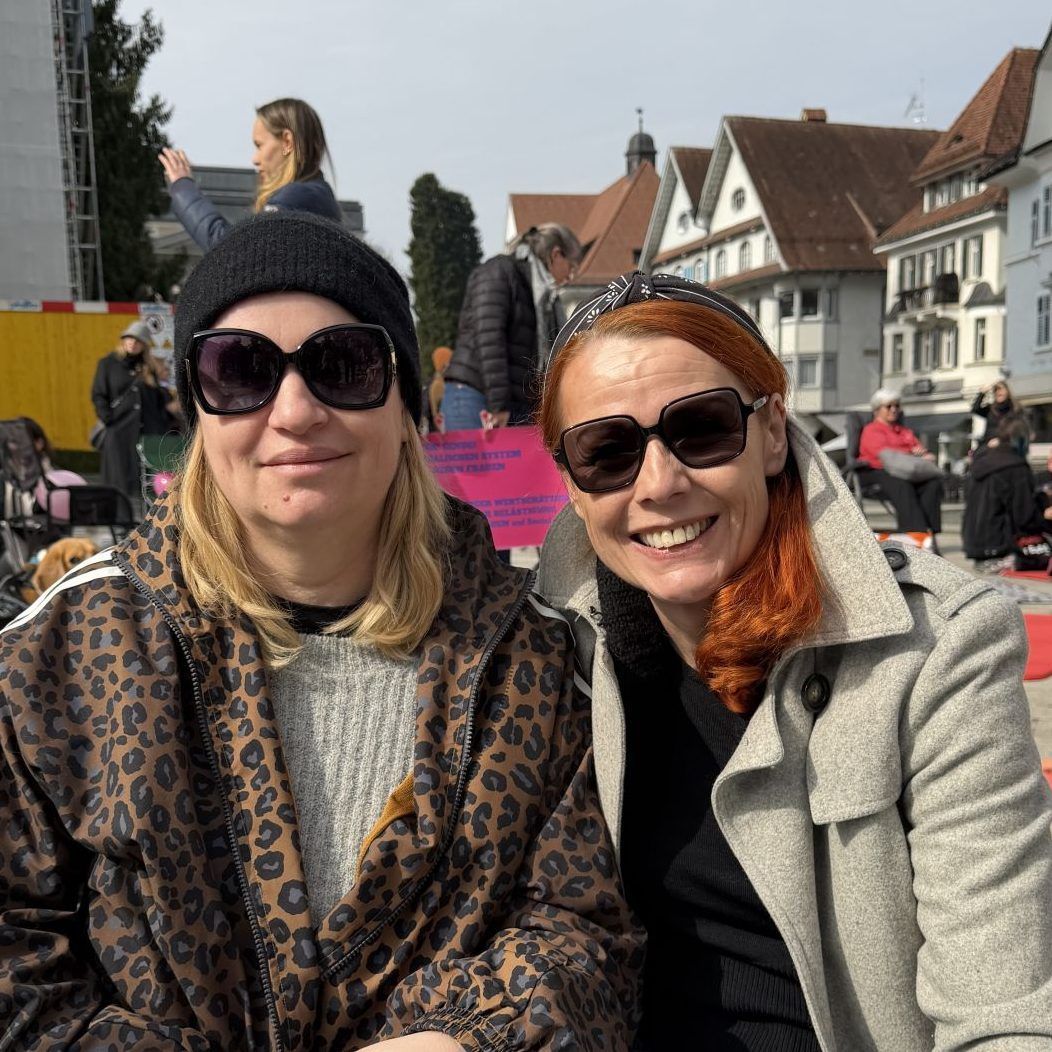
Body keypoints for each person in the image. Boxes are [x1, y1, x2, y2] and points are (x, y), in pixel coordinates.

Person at [0, 213, 641, 1049]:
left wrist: (470, 1037)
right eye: (240, 370)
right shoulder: (66, 653)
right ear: (196, 411)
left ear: (405, 404)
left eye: (342, 365)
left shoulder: (526, 652)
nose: (295, 411)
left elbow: (584, 930)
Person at [535, 271, 1052, 1050]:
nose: (660, 484)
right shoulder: (552, 650)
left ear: (772, 430)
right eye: (607, 450)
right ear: (573, 484)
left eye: (701, 428)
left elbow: (1003, 1010)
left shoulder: (935, 650)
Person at [442, 223, 582, 431]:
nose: (570, 278)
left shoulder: (540, 295)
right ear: (556, 255)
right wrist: (498, 404)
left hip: (512, 404)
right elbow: (489, 338)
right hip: (477, 397)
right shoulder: (499, 272)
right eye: (571, 268)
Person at [159, 97, 342, 251]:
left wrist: (183, 188)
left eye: (259, 145)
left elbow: (232, 251)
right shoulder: (316, 196)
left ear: (287, 142)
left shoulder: (295, 199)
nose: (255, 159)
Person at [962, 414, 1052, 568]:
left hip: (975, 545)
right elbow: (1024, 517)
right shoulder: (1016, 467)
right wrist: (1044, 508)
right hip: (1001, 546)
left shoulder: (982, 460)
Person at [857, 387, 943, 538]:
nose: (894, 409)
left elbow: (919, 449)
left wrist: (924, 455)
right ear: (877, 410)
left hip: (903, 470)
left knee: (932, 483)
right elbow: (882, 454)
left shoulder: (904, 431)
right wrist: (910, 453)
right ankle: (915, 531)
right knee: (901, 483)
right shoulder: (872, 430)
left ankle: (929, 532)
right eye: (889, 406)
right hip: (876, 470)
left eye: (897, 405)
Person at [90, 318, 150, 503]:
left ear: (144, 345)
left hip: (140, 430)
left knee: (140, 480)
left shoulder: (147, 367)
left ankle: (141, 522)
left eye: (138, 340)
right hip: (116, 428)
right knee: (116, 480)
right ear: (123, 340)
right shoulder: (108, 363)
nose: (133, 343)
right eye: (129, 338)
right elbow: (98, 393)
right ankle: (117, 520)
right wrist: (107, 418)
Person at [971, 378, 1017, 446]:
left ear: (1007, 391)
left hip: (1006, 447)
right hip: (989, 446)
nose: (998, 392)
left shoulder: (1014, 408)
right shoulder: (991, 409)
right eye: (995, 390)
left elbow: (1017, 431)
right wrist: (982, 393)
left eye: (1000, 389)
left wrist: (1000, 440)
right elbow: (975, 409)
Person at [426, 345, 453, 433]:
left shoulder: (440, 382)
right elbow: (436, 414)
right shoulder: (438, 385)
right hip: (443, 434)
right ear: (444, 364)